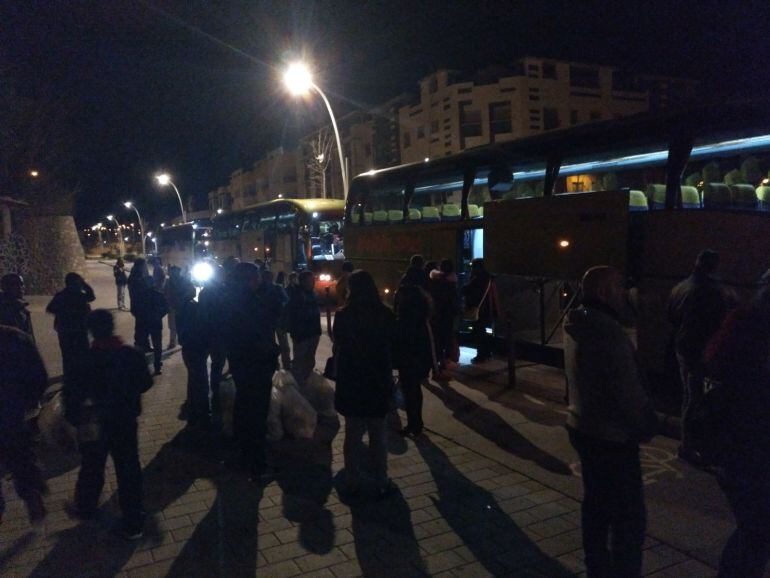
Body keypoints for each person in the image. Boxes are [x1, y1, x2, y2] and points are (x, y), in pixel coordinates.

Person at [564, 266, 658, 578]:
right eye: (620, 287)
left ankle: (597, 568)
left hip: (583, 425)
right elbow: (627, 392)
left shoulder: (577, 323)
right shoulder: (609, 333)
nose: (625, 294)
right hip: (612, 436)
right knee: (629, 519)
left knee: (596, 507)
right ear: (605, 292)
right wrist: (647, 424)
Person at [66, 310, 153, 539]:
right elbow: (146, 383)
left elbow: (72, 394)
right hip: (125, 420)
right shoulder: (131, 354)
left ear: (91, 331)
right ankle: (134, 523)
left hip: (95, 423)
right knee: (128, 470)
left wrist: (73, 419)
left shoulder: (84, 358)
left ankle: (86, 509)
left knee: (92, 466)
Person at [704, 288, 770, 578]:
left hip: (733, 456)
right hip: (752, 458)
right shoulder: (756, 346)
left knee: (753, 534)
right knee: (756, 535)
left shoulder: (740, 325)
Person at [334, 270, 398, 499]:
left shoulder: (343, 316)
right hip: (377, 379)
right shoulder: (385, 314)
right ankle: (381, 480)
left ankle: (353, 480)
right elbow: (393, 344)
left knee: (352, 434)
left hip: (352, 379)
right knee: (378, 434)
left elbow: (338, 342)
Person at [668, 249, 728, 465]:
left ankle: (690, 444)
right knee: (697, 399)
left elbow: (671, 317)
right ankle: (691, 445)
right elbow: (720, 321)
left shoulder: (680, 287)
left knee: (690, 396)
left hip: (683, 348)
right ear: (714, 267)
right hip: (701, 351)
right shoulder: (712, 291)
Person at [223, 263, 280, 481]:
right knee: (256, 414)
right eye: (256, 277)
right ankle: (256, 463)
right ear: (249, 280)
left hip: (243, 365)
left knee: (245, 407)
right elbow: (257, 336)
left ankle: (243, 454)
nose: (260, 280)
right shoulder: (248, 304)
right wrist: (272, 350)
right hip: (255, 365)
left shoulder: (234, 299)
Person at [0, 325, 48, 526]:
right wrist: (29, 402)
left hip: (12, 408)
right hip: (12, 410)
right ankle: (31, 491)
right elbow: (39, 375)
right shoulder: (15, 336)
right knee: (19, 453)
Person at [393, 285, 434, 437]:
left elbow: (401, 340)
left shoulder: (405, 318)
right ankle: (416, 423)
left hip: (408, 358)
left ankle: (413, 423)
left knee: (410, 391)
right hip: (420, 358)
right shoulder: (422, 316)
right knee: (415, 390)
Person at [46, 272, 96, 380]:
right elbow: (92, 296)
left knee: (67, 354)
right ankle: (81, 375)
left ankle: (69, 376)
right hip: (78, 329)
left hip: (65, 330)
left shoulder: (61, 295)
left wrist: (61, 313)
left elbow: (50, 308)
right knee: (82, 352)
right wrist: (84, 284)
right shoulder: (80, 296)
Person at [176, 283, 210, 430]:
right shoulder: (192, 308)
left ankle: (194, 410)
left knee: (193, 378)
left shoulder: (182, 307)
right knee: (200, 380)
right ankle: (201, 413)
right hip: (196, 347)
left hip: (188, 347)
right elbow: (201, 327)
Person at [198, 264, 228, 428]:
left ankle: (214, 394)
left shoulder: (206, 292)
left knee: (216, 366)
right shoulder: (220, 292)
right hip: (217, 334)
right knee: (217, 365)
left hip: (210, 334)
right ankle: (216, 395)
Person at [287, 270, 321, 387]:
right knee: (299, 360)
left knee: (310, 360)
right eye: (309, 281)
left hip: (313, 332)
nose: (312, 283)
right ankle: (297, 385)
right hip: (302, 334)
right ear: (303, 282)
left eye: (312, 280)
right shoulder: (297, 295)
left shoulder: (313, 294)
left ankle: (305, 382)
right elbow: (293, 315)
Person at [461, 258, 498, 363]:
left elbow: (468, 290)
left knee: (479, 331)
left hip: (479, 309)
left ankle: (481, 354)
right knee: (482, 331)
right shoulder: (488, 277)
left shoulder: (478, 278)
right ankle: (487, 352)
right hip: (487, 308)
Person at [427, 258, 459, 374]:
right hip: (447, 315)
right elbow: (453, 301)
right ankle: (444, 363)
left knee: (437, 340)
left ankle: (438, 363)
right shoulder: (451, 283)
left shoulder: (434, 281)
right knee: (447, 338)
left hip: (436, 315)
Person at [0, 273, 35, 340]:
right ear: (5, 287)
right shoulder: (3, 309)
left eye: (21, 284)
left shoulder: (23, 310)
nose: (20, 287)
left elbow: (29, 337)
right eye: (14, 284)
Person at [128, 258, 152, 350]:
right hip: (140, 306)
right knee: (141, 327)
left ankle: (144, 344)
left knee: (143, 326)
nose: (145, 267)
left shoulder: (137, 276)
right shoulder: (136, 277)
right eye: (144, 265)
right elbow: (141, 291)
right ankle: (140, 345)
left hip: (140, 306)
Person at [164, 265, 189, 349]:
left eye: (174, 272)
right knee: (172, 326)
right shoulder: (168, 282)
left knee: (181, 325)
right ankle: (173, 341)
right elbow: (164, 293)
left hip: (181, 307)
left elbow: (192, 292)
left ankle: (182, 341)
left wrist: (184, 298)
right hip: (172, 307)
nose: (172, 274)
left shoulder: (184, 281)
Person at [274, 271, 292, 370]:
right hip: (279, 320)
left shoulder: (262, 288)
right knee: (284, 345)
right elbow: (286, 301)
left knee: (273, 344)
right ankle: (286, 364)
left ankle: (277, 364)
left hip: (271, 321)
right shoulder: (278, 288)